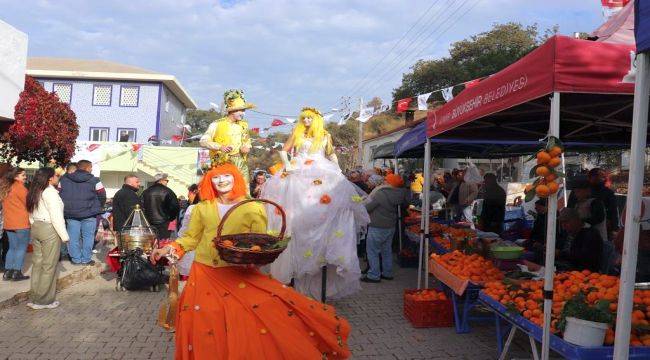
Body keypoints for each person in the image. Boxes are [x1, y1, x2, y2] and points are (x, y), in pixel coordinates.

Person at [150, 164, 351, 359]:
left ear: (235, 178)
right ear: (209, 181)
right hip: (205, 272)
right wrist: (169, 248)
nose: (221, 181)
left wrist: (253, 257)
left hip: (239, 272)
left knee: (253, 316)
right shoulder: (202, 208)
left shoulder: (252, 207)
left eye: (226, 175)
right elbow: (190, 238)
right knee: (206, 321)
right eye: (216, 177)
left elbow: (258, 241)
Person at [263, 107, 370, 300]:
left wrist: (338, 171)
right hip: (299, 170)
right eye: (303, 118)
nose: (305, 121)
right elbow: (283, 151)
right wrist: (287, 165)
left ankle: (323, 245)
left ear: (317, 120)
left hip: (322, 170)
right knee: (296, 208)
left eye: (309, 118)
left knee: (327, 206)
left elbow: (331, 155)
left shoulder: (325, 136)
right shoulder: (296, 134)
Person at [26, 168, 69, 309]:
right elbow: (56, 216)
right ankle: (43, 300)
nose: (58, 177)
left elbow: (30, 212)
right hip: (49, 228)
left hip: (37, 227)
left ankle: (34, 297)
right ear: (50, 178)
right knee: (49, 265)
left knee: (38, 263)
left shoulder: (35, 190)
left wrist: (33, 224)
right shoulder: (50, 192)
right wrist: (64, 236)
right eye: (56, 175)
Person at [200, 89, 254, 187]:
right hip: (222, 163)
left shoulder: (244, 125)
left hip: (241, 162)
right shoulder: (217, 124)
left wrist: (246, 147)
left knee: (243, 190)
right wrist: (220, 147)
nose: (243, 113)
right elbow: (203, 141)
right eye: (241, 110)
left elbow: (247, 141)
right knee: (223, 190)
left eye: (244, 110)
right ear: (232, 111)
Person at [361, 173, 409, 283]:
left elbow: (368, 208)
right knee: (386, 250)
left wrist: (362, 201)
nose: (383, 182)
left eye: (386, 180)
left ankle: (374, 275)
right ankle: (387, 273)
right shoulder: (399, 194)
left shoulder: (381, 193)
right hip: (390, 226)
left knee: (372, 251)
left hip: (377, 225)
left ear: (389, 183)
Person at [59, 160, 106, 266]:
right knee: (88, 237)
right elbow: (102, 195)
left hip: (71, 214)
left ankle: (76, 259)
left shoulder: (64, 179)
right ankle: (86, 259)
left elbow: (58, 194)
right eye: (91, 167)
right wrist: (97, 207)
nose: (92, 169)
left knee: (72, 237)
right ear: (86, 168)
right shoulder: (95, 180)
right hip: (90, 213)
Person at [1, 167, 31, 281]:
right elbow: (29, 204)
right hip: (21, 222)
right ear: (15, 176)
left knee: (12, 248)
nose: (25, 177)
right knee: (21, 248)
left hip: (9, 223)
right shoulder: (19, 187)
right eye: (23, 175)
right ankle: (16, 272)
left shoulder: (5, 187)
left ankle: (7, 272)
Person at [557, 208, 603, 272]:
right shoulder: (569, 232)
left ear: (576, 220)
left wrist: (560, 254)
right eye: (562, 223)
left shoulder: (591, 234)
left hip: (583, 273)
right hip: (566, 267)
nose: (563, 226)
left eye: (566, 222)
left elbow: (583, 258)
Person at [568, 178, 608, 243]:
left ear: (587, 191)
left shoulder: (595, 203)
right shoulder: (578, 204)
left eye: (578, 191)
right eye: (575, 192)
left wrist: (580, 221)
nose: (576, 195)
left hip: (596, 242)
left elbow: (598, 218)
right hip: (583, 241)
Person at [141, 173, 180, 240]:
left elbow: (141, 206)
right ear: (161, 180)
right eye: (166, 180)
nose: (167, 182)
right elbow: (175, 206)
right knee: (163, 243)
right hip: (164, 223)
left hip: (148, 223)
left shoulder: (146, 192)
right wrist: (170, 218)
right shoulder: (168, 191)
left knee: (151, 244)